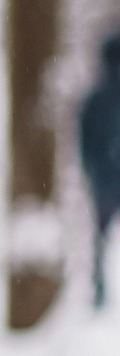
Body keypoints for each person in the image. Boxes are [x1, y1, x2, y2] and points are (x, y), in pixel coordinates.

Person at [81, 34, 120, 308]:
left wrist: (92, 171)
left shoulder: (94, 98)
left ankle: (99, 290)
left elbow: (85, 142)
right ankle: (98, 290)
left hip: (103, 180)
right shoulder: (95, 99)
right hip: (106, 177)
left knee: (101, 237)